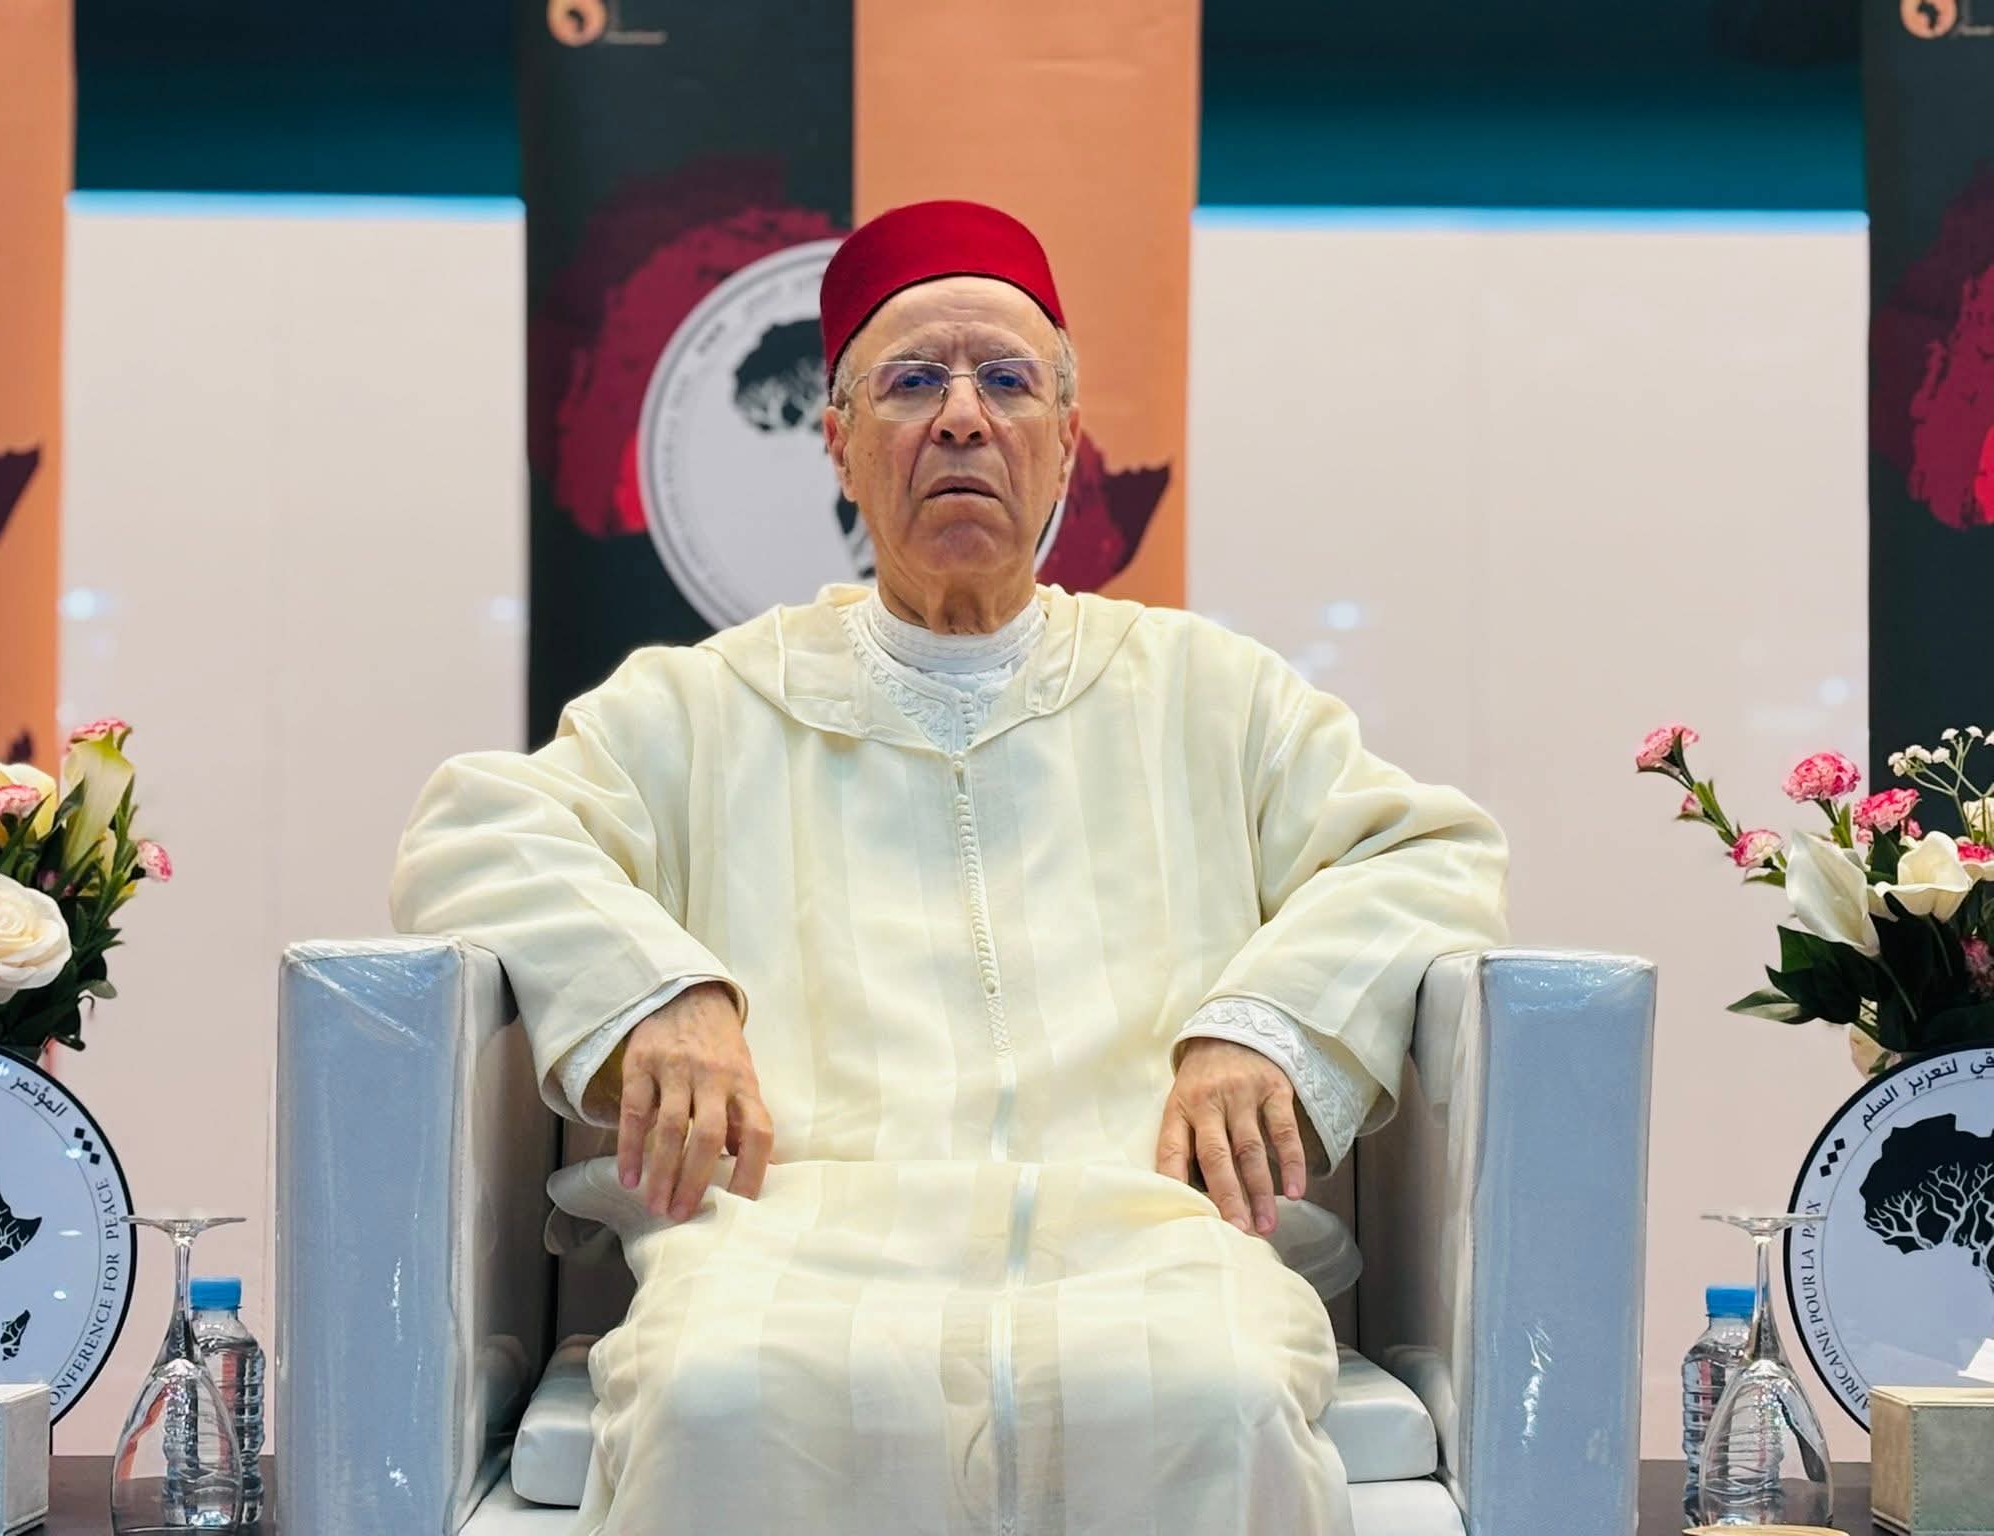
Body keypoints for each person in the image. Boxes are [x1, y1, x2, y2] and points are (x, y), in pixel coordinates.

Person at [390, 199, 1510, 1536]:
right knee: (717, 1397)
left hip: (1148, 1231)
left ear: (1066, 439)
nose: (964, 418)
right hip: (795, 1234)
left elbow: (1428, 852)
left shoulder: (1207, 694)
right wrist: (657, 994)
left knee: (1214, 1394)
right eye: (914, 382)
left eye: (1008, 382)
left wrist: (1265, 1028)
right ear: (840, 443)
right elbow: (474, 830)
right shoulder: (704, 704)